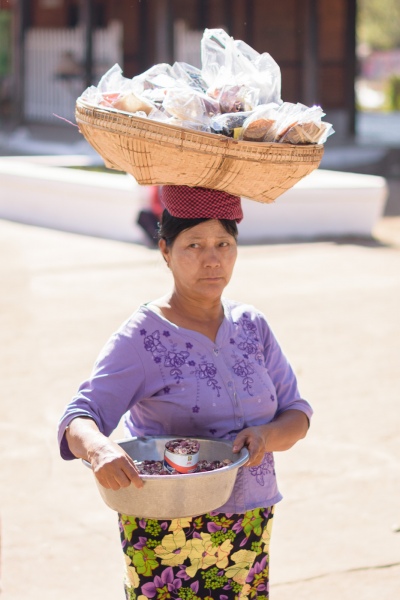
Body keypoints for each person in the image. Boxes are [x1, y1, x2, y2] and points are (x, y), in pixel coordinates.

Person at [58, 185, 312, 600]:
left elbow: (296, 415)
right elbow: (79, 417)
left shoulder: (252, 325)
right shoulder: (141, 337)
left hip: (250, 520)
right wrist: (98, 449)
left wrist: (265, 436)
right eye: (193, 244)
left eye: (223, 244)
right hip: (168, 529)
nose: (212, 259)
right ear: (165, 250)